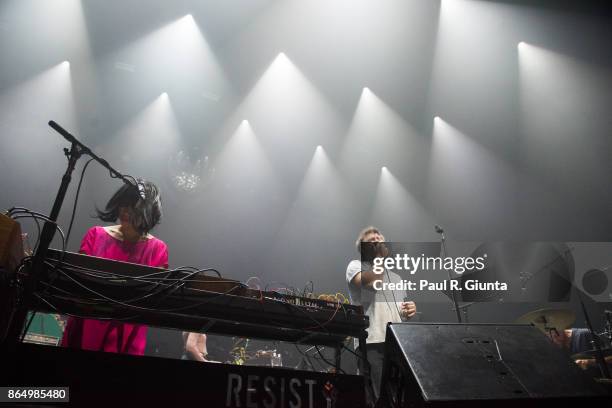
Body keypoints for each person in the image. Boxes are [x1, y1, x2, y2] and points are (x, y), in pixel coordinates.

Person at [61, 179, 168, 355]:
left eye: (132, 206)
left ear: (148, 211)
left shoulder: (158, 249)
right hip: (87, 324)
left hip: (128, 334)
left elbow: (153, 299)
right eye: (123, 204)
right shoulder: (95, 235)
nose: (125, 210)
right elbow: (77, 282)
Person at [346, 226, 416, 403]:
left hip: (397, 344)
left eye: (379, 240)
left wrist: (409, 310)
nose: (377, 242)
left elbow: (401, 311)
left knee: (402, 397)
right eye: (372, 241)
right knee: (378, 397)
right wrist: (379, 258)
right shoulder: (355, 267)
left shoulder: (396, 278)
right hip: (371, 342)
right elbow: (374, 284)